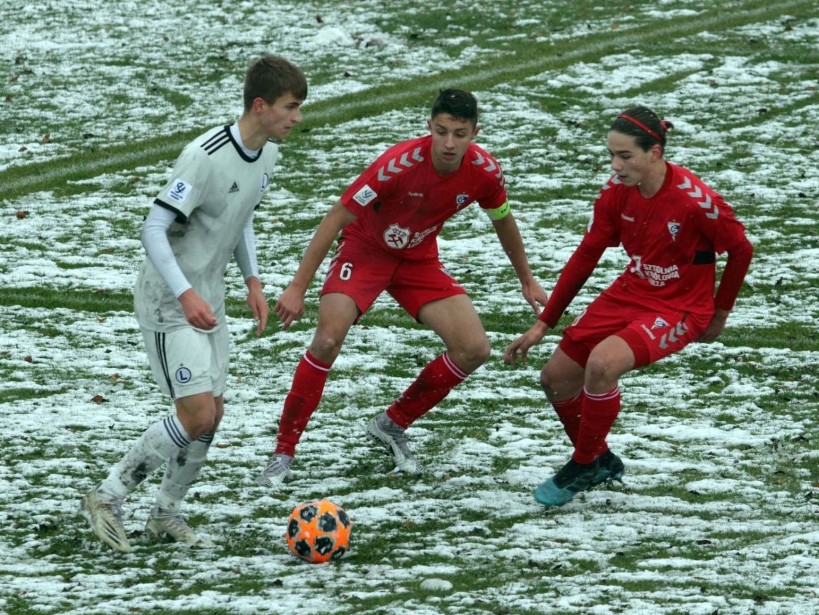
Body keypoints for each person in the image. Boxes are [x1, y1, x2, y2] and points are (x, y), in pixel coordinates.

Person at [256, 88, 548, 485]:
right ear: (429, 127)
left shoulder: (485, 172)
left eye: (459, 133)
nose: (449, 143)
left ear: (475, 132)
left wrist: (526, 278)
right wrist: (297, 287)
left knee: (474, 349)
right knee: (326, 341)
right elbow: (337, 216)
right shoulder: (397, 164)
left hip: (418, 259)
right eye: (441, 131)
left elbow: (503, 219)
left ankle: (391, 424)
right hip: (365, 251)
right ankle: (283, 453)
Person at [80, 55, 307, 551]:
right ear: (260, 105)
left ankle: (164, 516)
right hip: (170, 299)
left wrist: (252, 280)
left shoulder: (267, 154)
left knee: (213, 412)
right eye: (291, 108)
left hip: (209, 296)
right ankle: (107, 495)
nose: (297, 118)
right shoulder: (204, 157)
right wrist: (183, 294)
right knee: (197, 414)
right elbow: (153, 228)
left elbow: (240, 214)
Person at [504, 106, 753, 507]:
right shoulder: (615, 193)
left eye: (625, 156)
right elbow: (587, 254)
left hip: (681, 307)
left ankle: (583, 463)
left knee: (602, 364)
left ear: (655, 153)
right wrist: (543, 324)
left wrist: (719, 312)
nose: (615, 165)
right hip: (630, 291)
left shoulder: (695, 201)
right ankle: (599, 459)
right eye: (611, 155)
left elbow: (740, 249)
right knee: (555, 378)